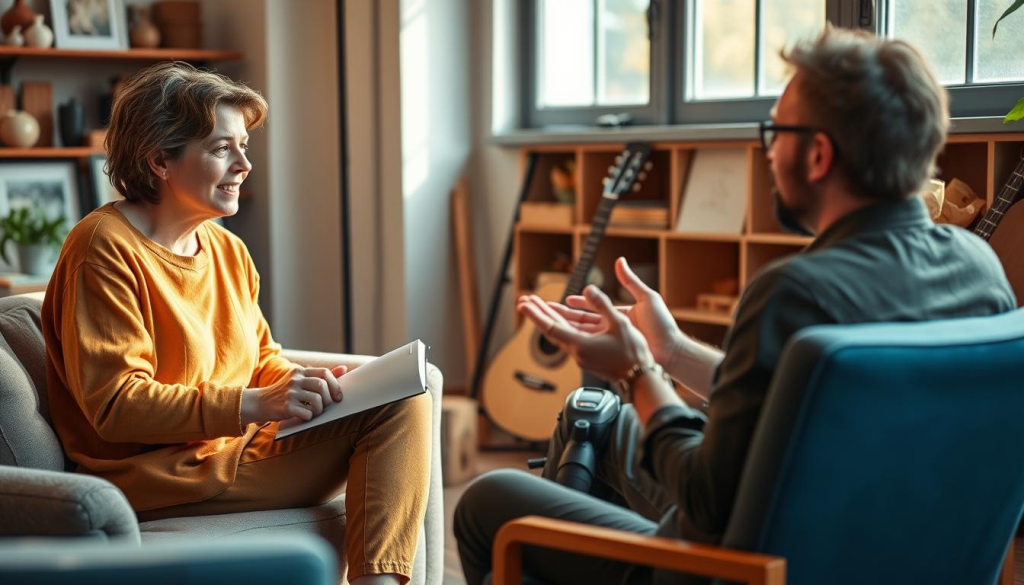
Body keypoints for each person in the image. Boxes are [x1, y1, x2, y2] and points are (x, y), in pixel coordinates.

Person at [454, 27, 1017, 585]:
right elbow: (806, 395)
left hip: (729, 569)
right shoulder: (980, 271)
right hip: (889, 554)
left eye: (777, 132)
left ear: (818, 154)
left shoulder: (793, 291)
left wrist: (635, 371)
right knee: (597, 418)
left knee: (487, 499)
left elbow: (703, 503)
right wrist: (669, 352)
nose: (768, 151)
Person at [41, 62, 430, 585]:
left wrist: (309, 388)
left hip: (235, 449)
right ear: (160, 159)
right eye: (223, 148)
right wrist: (256, 404)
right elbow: (115, 405)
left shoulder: (227, 249)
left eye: (244, 145)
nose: (245, 164)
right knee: (399, 408)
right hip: (159, 478)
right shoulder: (103, 247)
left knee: (404, 395)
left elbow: (261, 358)